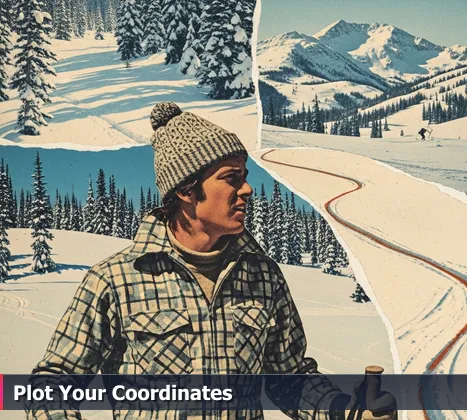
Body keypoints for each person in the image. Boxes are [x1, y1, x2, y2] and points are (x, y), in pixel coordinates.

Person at [26, 102, 397, 420]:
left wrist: (340, 409)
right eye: (231, 178)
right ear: (187, 190)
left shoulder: (263, 276)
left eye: (245, 177)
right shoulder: (116, 279)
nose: (247, 190)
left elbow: (291, 377)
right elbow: (52, 382)